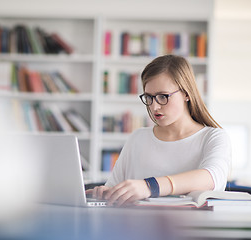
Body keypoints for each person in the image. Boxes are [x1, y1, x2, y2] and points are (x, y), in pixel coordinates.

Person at [86, 54, 231, 206]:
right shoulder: (138, 138)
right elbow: (113, 188)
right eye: (149, 97)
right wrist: (106, 193)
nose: (154, 107)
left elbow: (211, 178)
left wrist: (150, 186)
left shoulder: (213, 137)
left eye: (163, 96)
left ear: (186, 94)